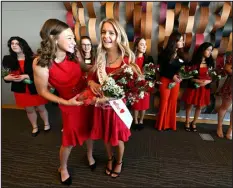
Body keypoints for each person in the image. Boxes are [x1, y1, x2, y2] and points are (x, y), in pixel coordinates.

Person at [33, 19, 94, 185]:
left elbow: (84, 68)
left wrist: (103, 67)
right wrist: (66, 103)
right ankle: (63, 167)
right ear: (53, 38)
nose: (74, 42)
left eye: (73, 38)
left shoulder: (74, 52)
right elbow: (42, 91)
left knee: (89, 130)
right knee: (68, 141)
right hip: (68, 103)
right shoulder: (40, 63)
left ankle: (89, 155)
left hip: (86, 98)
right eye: (69, 37)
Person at [87, 18, 135, 178]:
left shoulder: (126, 60)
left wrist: (108, 98)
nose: (106, 36)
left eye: (111, 33)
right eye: (103, 32)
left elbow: (130, 89)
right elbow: (91, 77)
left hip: (117, 109)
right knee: (106, 137)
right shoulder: (100, 57)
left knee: (118, 139)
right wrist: (91, 81)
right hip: (101, 108)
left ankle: (119, 161)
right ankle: (109, 158)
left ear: (118, 35)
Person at [2, 36, 49, 137]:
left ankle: (46, 124)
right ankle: (35, 127)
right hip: (20, 90)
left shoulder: (34, 58)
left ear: (23, 45)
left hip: (35, 87)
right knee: (29, 110)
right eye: (12, 44)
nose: (14, 45)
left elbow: (42, 74)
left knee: (41, 108)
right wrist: (7, 78)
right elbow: (4, 75)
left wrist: (26, 76)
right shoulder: (7, 59)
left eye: (17, 43)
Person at [155, 31, 184, 131]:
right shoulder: (164, 53)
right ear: (174, 41)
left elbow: (183, 69)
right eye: (180, 40)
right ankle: (161, 124)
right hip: (165, 81)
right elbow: (161, 70)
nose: (182, 42)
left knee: (173, 102)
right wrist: (172, 76)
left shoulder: (181, 55)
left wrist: (182, 76)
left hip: (176, 83)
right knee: (164, 102)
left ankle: (170, 124)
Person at [182, 42, 214, 132]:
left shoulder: (210, 63)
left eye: (211, 50)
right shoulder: (193, 62)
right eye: (208, 50)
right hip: (194, 87)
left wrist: (207, 81)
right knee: (189, 105)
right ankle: (187, 121)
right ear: (202, 50)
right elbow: (187, 76)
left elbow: (213, 76)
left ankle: (194, 122)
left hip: (204, 88)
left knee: (200, 106)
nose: (209, 52)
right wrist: (196, 81)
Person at [131, 37, 154, 130]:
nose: (144, 46)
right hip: (135, 84)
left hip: (145, 84)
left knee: (144, 103)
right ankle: (135, 120)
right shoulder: (132, 58)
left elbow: (152, 73)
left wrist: (145, 78)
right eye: (142, 44)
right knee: (136, 103)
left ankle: (141, 120)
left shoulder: (149, 58)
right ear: (136, 46)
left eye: (145, 44)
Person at [217, 53, 232, 140]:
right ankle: (219, 127)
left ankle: (230, 129)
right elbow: (227, 69)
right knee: (224, 106)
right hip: (231, 85)